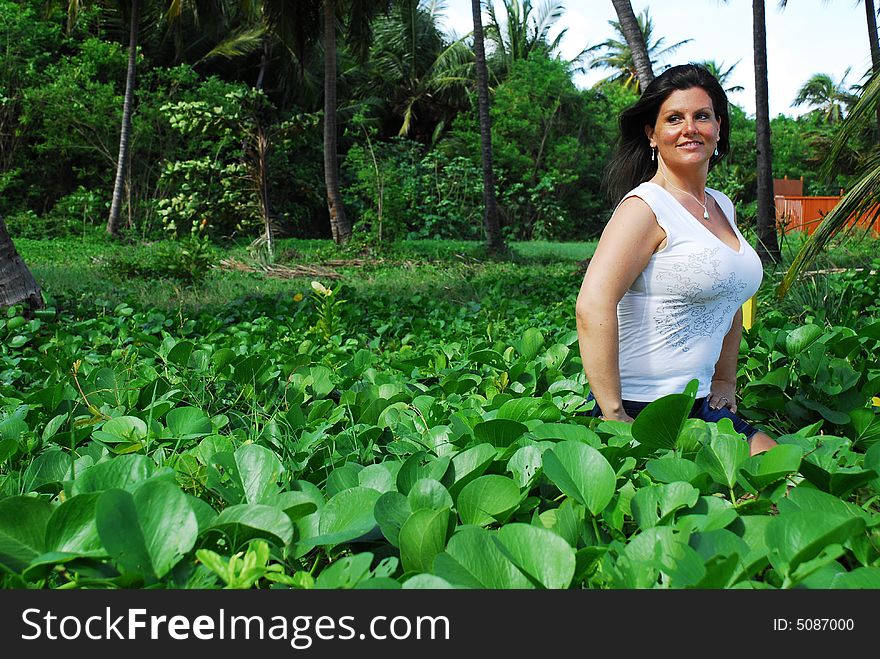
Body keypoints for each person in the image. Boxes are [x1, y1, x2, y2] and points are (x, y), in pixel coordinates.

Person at [575, 63, 777, 456]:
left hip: (700, 404)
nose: (690, 128)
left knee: (794, 482)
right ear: (652, 134)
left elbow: (730, 296)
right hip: (644, 408)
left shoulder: (721, 205)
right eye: (674, 118)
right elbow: (592, 304)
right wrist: (613, 413)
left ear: (718, 127)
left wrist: (724, 380)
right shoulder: (645, 207)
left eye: (702, 116)